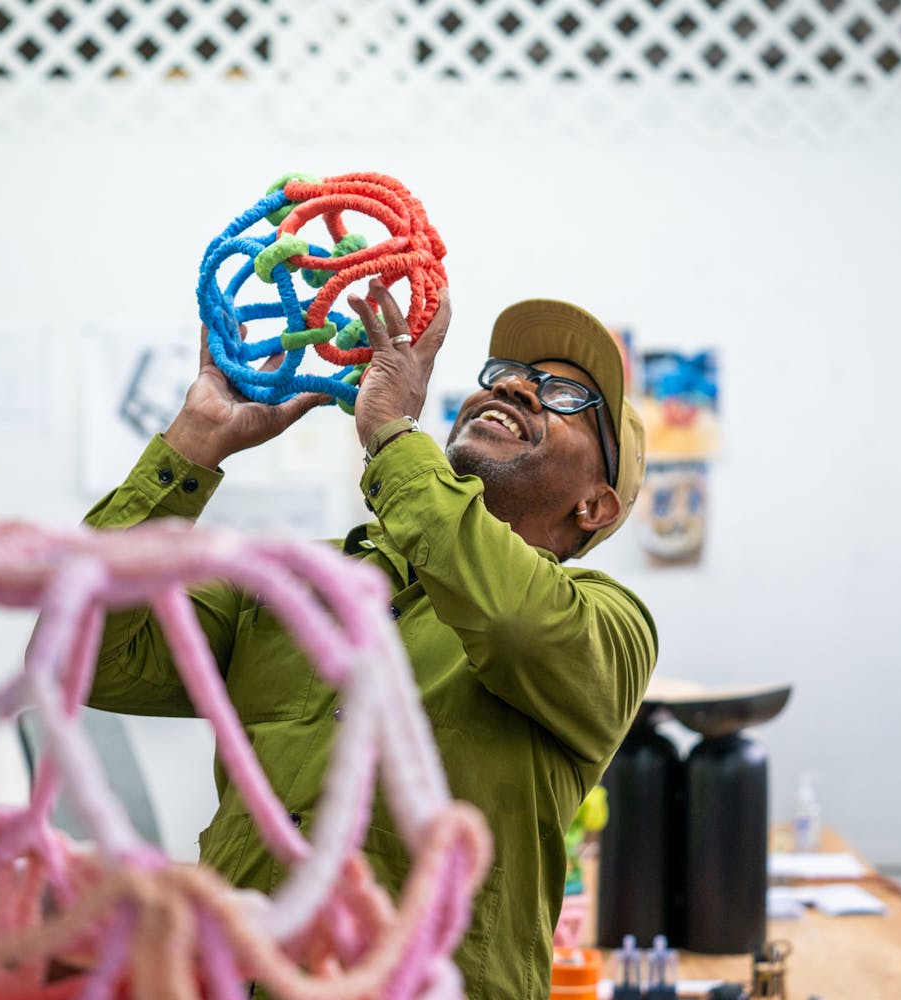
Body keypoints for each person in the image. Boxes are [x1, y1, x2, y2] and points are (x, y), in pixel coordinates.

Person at [83, 280, 658, 999]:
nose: (514, 385)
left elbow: (511, 621)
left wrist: (391, 436)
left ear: (595, 506)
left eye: (567, 396)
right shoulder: (295, 580)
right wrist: (195, 442)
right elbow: (85, 652)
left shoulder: (609, 625)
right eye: (506, 374)